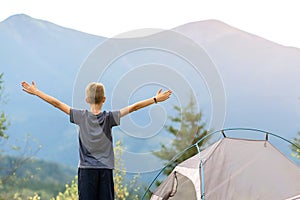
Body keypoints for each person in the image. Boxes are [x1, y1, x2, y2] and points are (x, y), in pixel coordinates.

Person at [21, 81, 172, 200]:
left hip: (86, 171)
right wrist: (155, 99)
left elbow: (57, 104)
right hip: (105, 171)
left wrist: (37, 92)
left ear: (87, 99)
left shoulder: (80, 116)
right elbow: (134, 108)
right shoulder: (109, 118)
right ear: (104, 99)